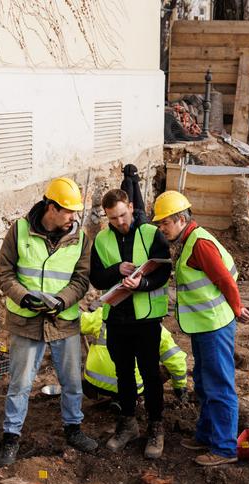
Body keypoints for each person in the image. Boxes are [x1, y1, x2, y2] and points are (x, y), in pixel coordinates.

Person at [0, 177, 99, 466]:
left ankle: (73, 429)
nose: (73, 217)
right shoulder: (20, 231)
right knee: (20, 383)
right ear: (51, 207)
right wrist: (23, 297)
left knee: (72, 381)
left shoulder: (81, 238)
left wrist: (63, 300)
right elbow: (4, 272)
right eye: (68, 211)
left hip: (63, 320)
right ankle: (11, 437)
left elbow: (81, 279)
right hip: (26, 321)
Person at [152, 190, 249, 466]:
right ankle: (207, 434)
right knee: (205, 381)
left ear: (181, 219)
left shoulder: (199, 244)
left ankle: (224, 448)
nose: (161, 228)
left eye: (165, 223)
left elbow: (224, 279)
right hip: (202, 324)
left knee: (219, 384)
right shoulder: (189, 240)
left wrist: (236, 307)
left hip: (214, 325)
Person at [90, 182, 173, 459]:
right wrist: (116, 270)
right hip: (116, 318)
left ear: (132, 208)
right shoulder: (101, 240)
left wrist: (143, 283)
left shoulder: (151, 234)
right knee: (123, 374)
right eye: (113, 218)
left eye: (123, 215)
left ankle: (156, 426)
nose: (120, 222)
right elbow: (96, 278)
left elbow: (163, 272)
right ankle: (127, 424)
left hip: (147, 318)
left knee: (150, 373)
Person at [80, 309, 189, 426]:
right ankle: (130, 402)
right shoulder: (155, 328)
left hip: (94, 382)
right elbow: (177, 360)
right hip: (133, 387)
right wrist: (179, 387)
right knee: (158, 369)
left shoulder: (102, 315)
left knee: (116, 364)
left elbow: (80, 324)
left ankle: (115, 399)